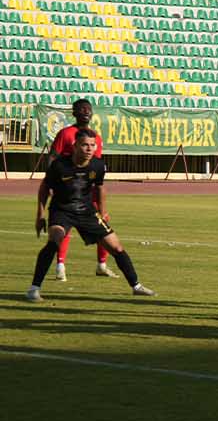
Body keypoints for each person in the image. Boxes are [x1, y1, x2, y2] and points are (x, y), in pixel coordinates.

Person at [28, 128, 156, 302]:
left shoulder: (98, 165)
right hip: (62, 210)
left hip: (87, 211)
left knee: (116, 247)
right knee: (54, 241)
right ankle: (34, 289)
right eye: (85, 145)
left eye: (92, 145)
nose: (89, 149)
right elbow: (44, 188)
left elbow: (100, 187)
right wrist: (40, 215)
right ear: (75, 146)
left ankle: (136, 286)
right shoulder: (59, 165)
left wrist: (102, 211)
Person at [48, 99, 116, 281]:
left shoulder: (95, 137)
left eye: (89, 109)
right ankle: (60, 265)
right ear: (74, 113)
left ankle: (101, 264)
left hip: (89, 188)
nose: (86, 111)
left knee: (104, 221)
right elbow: (53, 158)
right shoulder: (66, 133)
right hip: (69, 188)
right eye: (82, 109)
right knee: (65, 227)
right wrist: (53, 183)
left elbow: (96, 165)